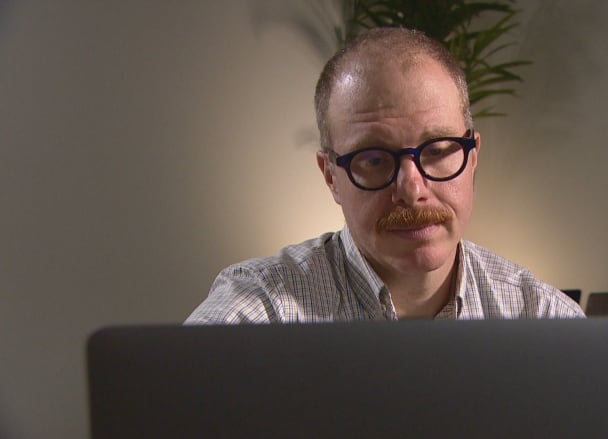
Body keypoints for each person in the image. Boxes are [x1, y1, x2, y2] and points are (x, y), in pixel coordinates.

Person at [186, 27, 584, 324]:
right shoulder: (261, 311)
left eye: (437, 151)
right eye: (374, 159)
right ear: (331, 177)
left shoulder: (544, 317)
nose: (412, 190)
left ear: (472, 157)